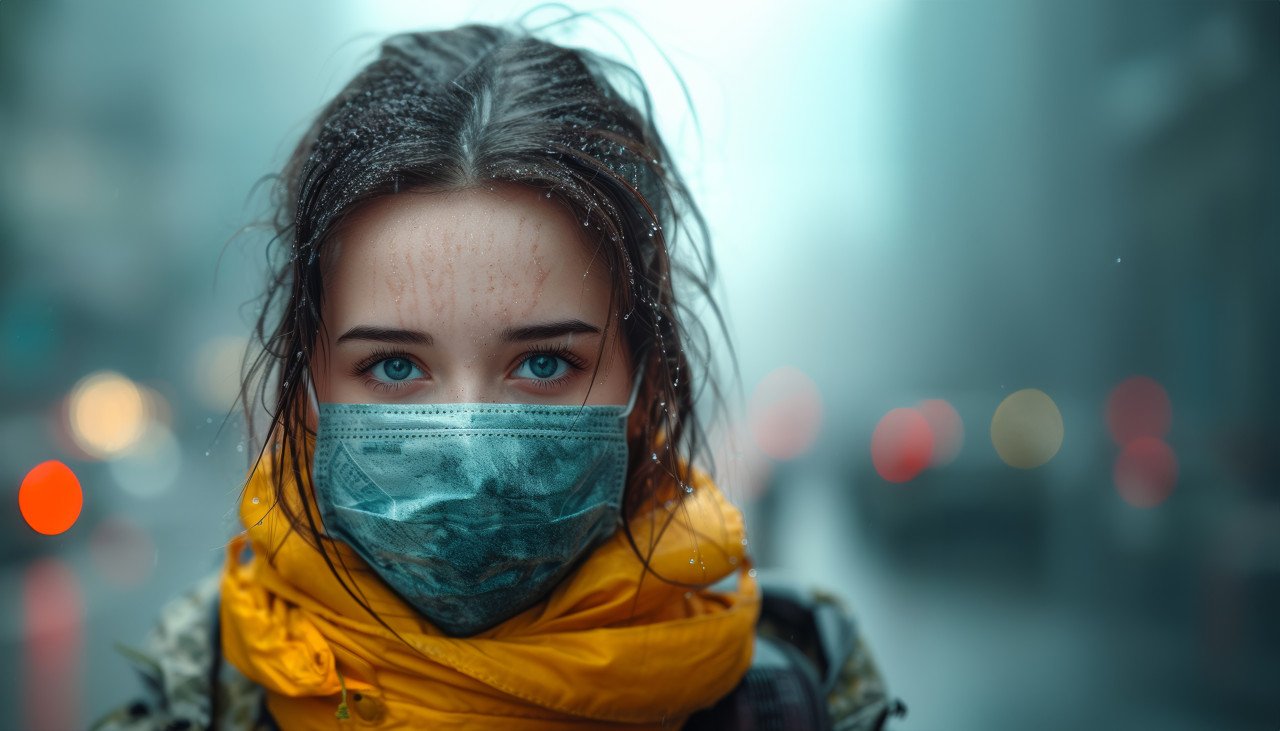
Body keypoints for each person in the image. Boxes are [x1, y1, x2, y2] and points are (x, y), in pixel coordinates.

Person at [93, 12, 903, 731]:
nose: (471, 457)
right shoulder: (197, 703)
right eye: (396, 365)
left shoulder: (786, 704)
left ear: (645, 387)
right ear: (307, 393)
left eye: (543, 363)